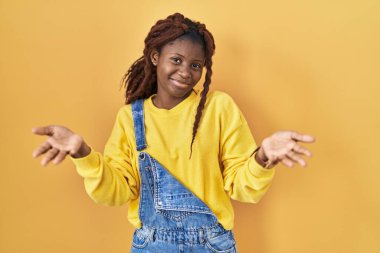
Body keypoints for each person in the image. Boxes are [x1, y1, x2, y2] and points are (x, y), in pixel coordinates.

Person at [32, 13, 315, 253]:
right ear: (155, 57)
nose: (186, 72)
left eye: (196, 65)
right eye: (176, 60)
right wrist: (82, 153)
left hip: (212, 244)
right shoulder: (131, 118)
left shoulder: (218, 108)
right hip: (152, 244)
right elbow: (116, 192)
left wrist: (263, 156)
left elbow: (242, 186)